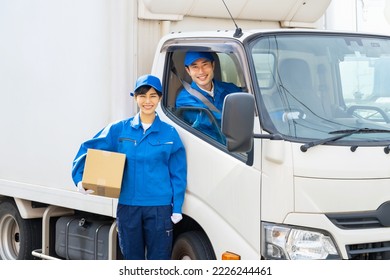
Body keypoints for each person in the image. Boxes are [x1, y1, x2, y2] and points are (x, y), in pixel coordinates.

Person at [71, 74, 187, 260]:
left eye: (152, 96)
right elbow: (89, 148)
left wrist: (177, 207)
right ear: (135, 97)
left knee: (160, 261)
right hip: (129, 206)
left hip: (159, 208)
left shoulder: (170, 133)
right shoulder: (120, 129)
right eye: (142, 96)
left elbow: (178, 174)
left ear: (160, 98)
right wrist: (79, 178)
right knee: (132, 260)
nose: (147, 101)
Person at [175, 51, 241, 142]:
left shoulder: (230, 89)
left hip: (240, 145)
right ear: (188, 71)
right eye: (195, 67)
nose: (201, 71)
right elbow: (212, 124)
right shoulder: (184, 100)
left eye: (205, 65)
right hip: (215, 149)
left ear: (213, 65)